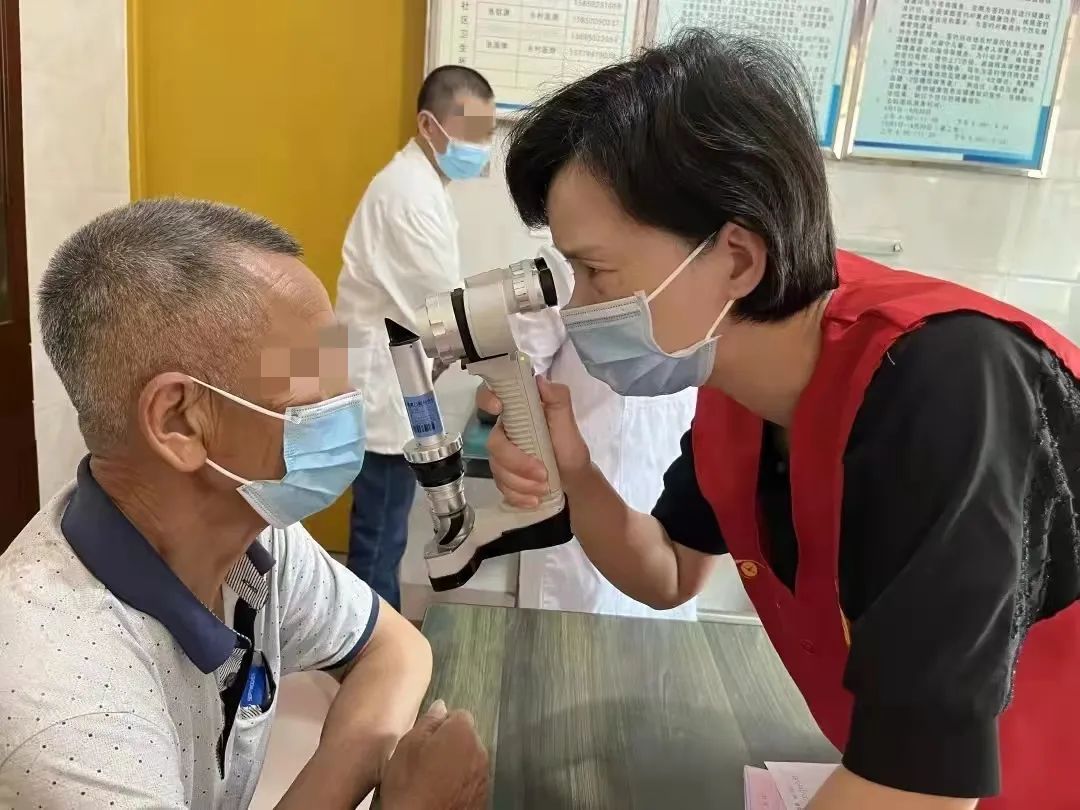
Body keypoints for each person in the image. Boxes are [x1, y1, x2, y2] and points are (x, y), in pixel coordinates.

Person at [482, 30, 1080, 810]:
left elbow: (918, 788)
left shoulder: (947, 382)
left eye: (596, 271)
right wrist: (576, 473)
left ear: (737, 258)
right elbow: (668, 573)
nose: (578, 308)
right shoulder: (736, 382)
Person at [0, 199, 488, 810]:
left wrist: (344, 760)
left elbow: (397, 647)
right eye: (312, 376)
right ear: (179, 420)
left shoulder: (248, 533)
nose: (348, 398)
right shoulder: (68, 716)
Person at [336, 65, 497, 610]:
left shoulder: (422, 185)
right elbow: (444, 307)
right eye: (470, 131)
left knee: (384, 536)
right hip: (385, 391)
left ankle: (374, 644)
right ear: (429, 125)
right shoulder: (405, 193)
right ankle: (370, 651)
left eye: (486, 133)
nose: (479, 147)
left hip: (398, 381)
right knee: (379, 540)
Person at [503, 246, 698, 619]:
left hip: (672, 508)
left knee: (658, 634)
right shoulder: (562, 267)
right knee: (571, 637)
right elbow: (503, 390)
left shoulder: (698, 271)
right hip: (578, 512)